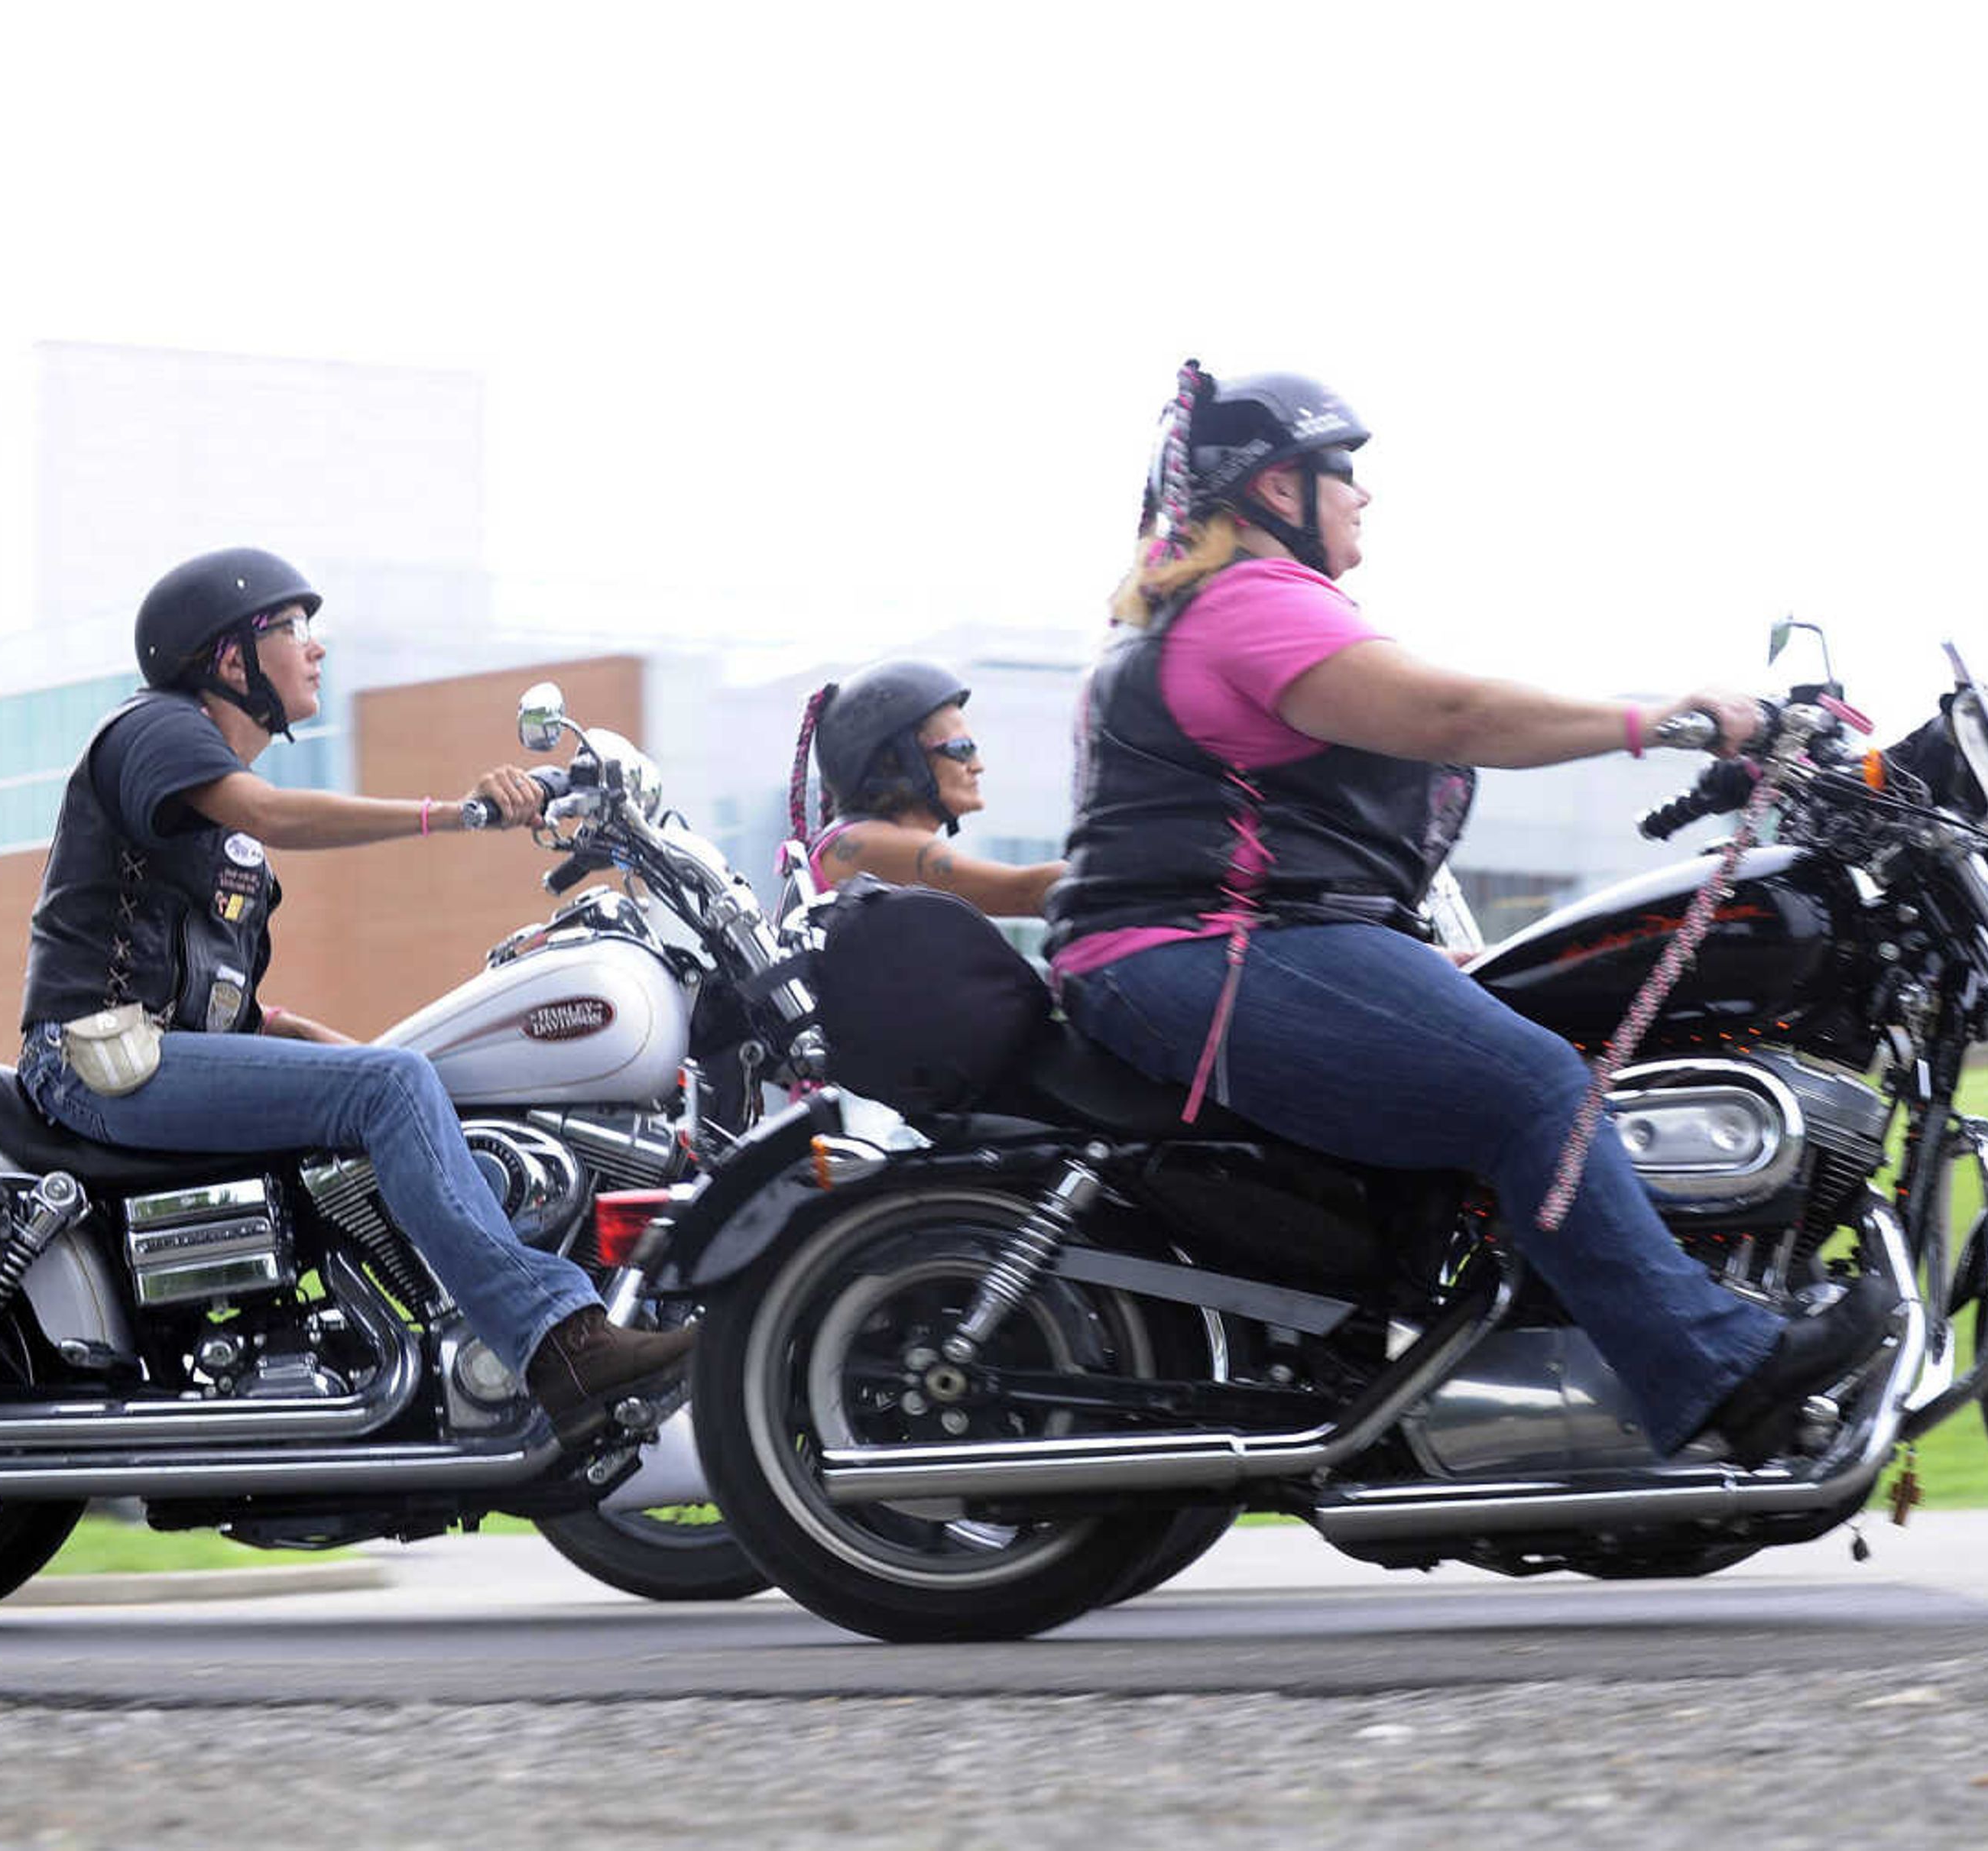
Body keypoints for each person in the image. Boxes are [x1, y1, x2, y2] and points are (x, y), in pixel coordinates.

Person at [1046, 364, 1900, 1460]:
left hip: (1217, 944)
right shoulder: (1250, 605)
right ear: (1271, 490)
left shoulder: (1209, 613)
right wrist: (1661, 721)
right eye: (1340, 469)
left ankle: (1546, 1376)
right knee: (1533, 1083)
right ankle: (1713, 1364)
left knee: (1516, 1043)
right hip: (1202, 950)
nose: (1362, 493)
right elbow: (1450, 711)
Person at [14, 546, 693, 1443]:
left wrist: (395, 1070)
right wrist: (455, 813)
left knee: (408, 1084)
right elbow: (274, 814)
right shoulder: (159, 730)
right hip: (90, 1060)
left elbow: (241, 1016)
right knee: (392, 1088)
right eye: (295, 628)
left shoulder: (223, 843)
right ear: (231, 659)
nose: (317, 648)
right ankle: (558, 1341)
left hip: (157, 1058)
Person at [793, 659, 1064, 916]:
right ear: (897, 761)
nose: (977, 765)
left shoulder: (855, 840)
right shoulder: (869, 843)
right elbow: (1025, 891)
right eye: (962, 749)